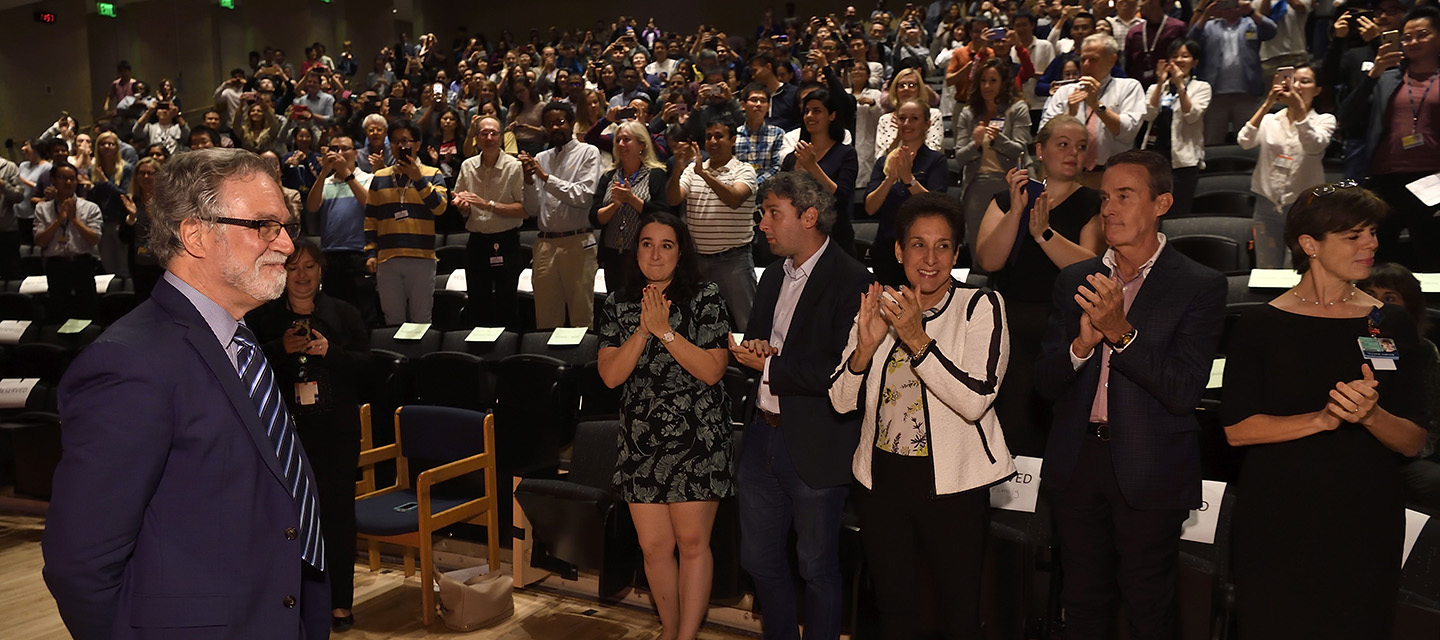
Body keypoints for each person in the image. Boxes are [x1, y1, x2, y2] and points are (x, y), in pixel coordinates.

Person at [43, 149, 329, 640]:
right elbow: (81, 565)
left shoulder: (239, 341)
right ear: (195, 234)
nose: (284, 244)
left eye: (285, 226)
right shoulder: (129, 364)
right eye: (264, 225)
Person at [1035, 150, 1226, 640]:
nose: (1109, 209)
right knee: (1081, 603)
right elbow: (1045, 383)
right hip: (1077, 464)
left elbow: (1185, 390)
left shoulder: (1199, 286)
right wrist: (1081, 346)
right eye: (1104, 197)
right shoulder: (1075, 280)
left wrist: (1121, 334)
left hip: (1150, 468)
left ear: (1161, 202)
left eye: (1124, 196)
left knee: (1148, 608)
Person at [1222, 183, 1427, 638]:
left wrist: (1373, 416)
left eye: (1372, 232)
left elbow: (1414, 441)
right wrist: (1322, 419)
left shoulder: (1388, 322)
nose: (1372, 244)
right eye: (1353, 235)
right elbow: (1237, 430)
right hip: (1278, 514)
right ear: (1310, 245)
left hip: (1365, 516)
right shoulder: (1260, 324)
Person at [829, 191, 1014, 638]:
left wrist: (916, 339)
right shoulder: (880, 309)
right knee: (895, 610)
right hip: (882, 483)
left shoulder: (980, 306)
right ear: (899, 250)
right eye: (918, 244)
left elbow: (975, 399)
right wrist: (866, 349)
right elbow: (839, 399)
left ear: (956, 252)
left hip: (952, 486)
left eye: (943, 246)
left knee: (956, 612)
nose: (929, 258)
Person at [730, 171, 873, 640]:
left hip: (816, 444)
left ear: (809, 216)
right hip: (761, 435)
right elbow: (761, 342)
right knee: (758, 560)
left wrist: (770, 367)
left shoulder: (852, 278)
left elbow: (843, 369)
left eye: (773, 212)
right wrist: (753, 353)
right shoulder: (772, 275)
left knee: (816, 566)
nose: (763, 223)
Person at [596, 212, 732, 640]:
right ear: (635, 250)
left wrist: (666, 333)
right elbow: (611, 376)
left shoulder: (706, 296)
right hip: (641, 437)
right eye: (647, 243)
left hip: (697, 435)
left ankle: (687, 637)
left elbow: (712, 371)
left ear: (681, 252)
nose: (655, 253)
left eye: (666, 244)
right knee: (654, 548)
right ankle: (671, 630)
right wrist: (643, 330)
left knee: (692, 543)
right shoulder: (618, 303)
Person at [246, 239, 371, 633]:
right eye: (292, 267)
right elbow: (245, 370)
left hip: (336, 434)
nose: (301, 275)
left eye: (309, 267)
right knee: (286, 521)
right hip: (282, 436)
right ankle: (292, 602)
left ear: (321, 272)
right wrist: (280, 350)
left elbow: (369, 371)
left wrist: (330, 353)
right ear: (281, 272)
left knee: (336, 518)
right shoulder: (263, 318)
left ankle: (339, 604)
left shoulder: (345, 315)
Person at [976, 114, 1104, 457]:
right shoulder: (1007, 199)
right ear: (1040, 150)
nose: (1072, 153)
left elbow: (1090, 266)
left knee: (1052, 419)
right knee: (1009, 416)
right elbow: (989, 261)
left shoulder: (1092, 202)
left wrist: (1044, 234)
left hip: (1061, 326)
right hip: (1009, 325)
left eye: (1080, 147)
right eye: (1062, 145)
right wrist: (1017, 212)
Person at [1342, 5, 1440, 272]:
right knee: (1375, 262)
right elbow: (1348, 118)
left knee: (1432, 260)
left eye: (1422, 34)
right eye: (1406, 37)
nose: (1412, 42)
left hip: (1433, 181)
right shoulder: (1387, 77)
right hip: (1385, 180)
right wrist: (1374, 73)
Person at [1358, 262, 1440, 515]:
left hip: (1403, 456)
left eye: (1390, 298)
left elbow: (1431, 422)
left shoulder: (1424, 350)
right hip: (1350, 449)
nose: (1378, 304)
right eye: (1370, 295)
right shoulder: (1341, 338)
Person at [667, 117, 759, 331]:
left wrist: (704, 174)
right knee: (698, 323)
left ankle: (751, 365)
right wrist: (677, 170)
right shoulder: (692, 170)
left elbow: (734, 199)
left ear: (733, 140)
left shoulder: (744, 170)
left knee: (748, 324)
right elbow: (673, 199)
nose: (713, 141)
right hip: (697, 260)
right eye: (709, 137)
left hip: (734, 260)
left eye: (719, 136)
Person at [1239, 63, 1333, 268]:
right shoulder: (1270, 120)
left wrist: (1299, 109)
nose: (1297, 85)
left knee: (1296, 268)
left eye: (1305, 81)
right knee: (1266, 268)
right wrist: (1268, 102)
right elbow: (1244, 140)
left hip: (1304, 207)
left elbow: (1314, 146)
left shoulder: (1324, 120)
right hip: (1266, 203)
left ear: (1317, 90)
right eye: (1294, 80)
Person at [520, 101, 602, 329]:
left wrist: (546, 178)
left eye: (560, 122)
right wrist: (528, 180)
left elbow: (584, 196)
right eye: (549, 124)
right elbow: (533, 209)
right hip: (545, 244)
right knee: (545, 317)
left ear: (571, 123)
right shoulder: (542, 158)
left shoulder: (588, 152)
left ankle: (578, 364)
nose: (555, 128)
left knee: (581, 317)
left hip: (578, 242)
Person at [363, 121, 450, 325]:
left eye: (405, 141)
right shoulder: (380, 177)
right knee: (392, 319)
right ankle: (397, 358)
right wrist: (370, 253)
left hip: (421, 256)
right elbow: (370, 218)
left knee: (422, 319)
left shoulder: (432, 174)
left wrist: (418, 179)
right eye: (395, 141)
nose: (400, 146)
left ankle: (418, 358)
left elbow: (440, 208)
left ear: (417, 145)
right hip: (387, 258)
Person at [1039, 33, 1145, 187]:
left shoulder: (1128, 87)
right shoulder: (1064, 92)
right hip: (1070, 175)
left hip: (1112, 174)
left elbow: (1127, 132)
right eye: (1083, 59)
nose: (1086, 65)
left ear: (1112, 60)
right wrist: (1070, 115)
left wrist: (1096, 104)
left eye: (1093, 60)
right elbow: (1043, 136)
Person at [955, 57, 1033, 266]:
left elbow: (1021, 151)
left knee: (1011, 248)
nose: (987, 86)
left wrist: (998, 140)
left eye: (993, 80)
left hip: (1009, 186)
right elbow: (960, 157)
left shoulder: (1017, 109)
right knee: (978, 250)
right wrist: (976, 144)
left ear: (1003, 83)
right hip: (977, 187)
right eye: (983, 81)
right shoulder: (968, 113)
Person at [864, 99, 950, 286]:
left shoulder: (936, 160)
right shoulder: (884, 162)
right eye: (902, 118)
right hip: (887, 249)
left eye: (914, 119)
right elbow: (870, 208)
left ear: (927, 124)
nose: (906, 124)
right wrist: (890, 178)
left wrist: (909, 179)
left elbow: (937, 206)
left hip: (923, 251)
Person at [453, 116, 528, 328]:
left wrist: (488, 205)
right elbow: (461, 203)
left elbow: (523, 210)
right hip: (477, 242)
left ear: (501, 137)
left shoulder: (514, 167)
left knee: (507, 302)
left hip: (507, 241)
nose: (489, 137)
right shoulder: (468, 166)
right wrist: (462, 207)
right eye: (484, 133)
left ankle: (505, 352)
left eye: (494, 133)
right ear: (476, 138)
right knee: (477, 302)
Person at [590, 120, 671, 294]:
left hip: (644, 255)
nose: (620, 144)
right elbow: (594, 217)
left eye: (626, 139)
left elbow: (664, 214)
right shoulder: (609, 175)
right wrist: (615, 205)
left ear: (642, 144)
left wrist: (631, 199)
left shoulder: (656, 174)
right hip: (612, 255)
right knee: (615, 306)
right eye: (618, 140)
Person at [782, 88, 859, 256]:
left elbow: (842, 197)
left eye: (816, 111)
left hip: (835, 237)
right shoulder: (792, 157)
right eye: (806, 111)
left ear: (832, 115)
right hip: (797, 236)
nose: (809, 116)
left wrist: (812, 167)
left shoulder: (846, 153)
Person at [1139, 39, 1211, 218]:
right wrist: (1160, 82)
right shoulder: (1156, 88)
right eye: (1175, 56)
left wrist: (1180, 85)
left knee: (1178, 214)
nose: (1179, 60)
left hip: (1183, 162)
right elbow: (1148, 115)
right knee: (1151, 212)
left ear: (1195, 62)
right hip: (1154, 159)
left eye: (1185, 56)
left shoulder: (1201, 87)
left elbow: (1191, 115)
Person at [1189, 0, 1278, 144]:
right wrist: (1206, 14)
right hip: (1214, 94)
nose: (1230, 7)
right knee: (1212, 140)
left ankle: (1248, 167)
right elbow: (1191, 41)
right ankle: (1215, 167)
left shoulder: (1251, 23)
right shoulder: (1209, 26)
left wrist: (1250, 11)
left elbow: (1271, 31)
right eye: (1225, 3)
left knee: (1249, 140)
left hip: (1247, 93)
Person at [33, 162, 102, 320]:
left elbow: (94, 239)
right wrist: (59, 220)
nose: (69, 183)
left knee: (87, 312)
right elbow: (39, 241)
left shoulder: (90, 208)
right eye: (63, 178)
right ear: (53, 180)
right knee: (59, 312)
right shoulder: (42, 209)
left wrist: (74, 219)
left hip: (82, 264)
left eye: (72, 178)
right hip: (56, 266)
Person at [873, 67, 944, 161]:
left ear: (919, 89)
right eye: (902, 85)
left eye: (911, 85)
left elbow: (934, 149)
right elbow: (880, 159)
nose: (906, 89)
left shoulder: (933, 115)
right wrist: (899, 136)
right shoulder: (885, 120)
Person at [121, 158, 164, 299]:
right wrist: (132, 218)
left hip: (162, 266)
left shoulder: (167, 202)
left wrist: (154, 218)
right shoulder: (130, 201)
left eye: (150, 173)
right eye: (142, 173)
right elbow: (123, 238)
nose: (146, 177)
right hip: (138, 265)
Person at [735, 84, 788, 193]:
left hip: (768, 193)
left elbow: (777, 167)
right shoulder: (734, 134)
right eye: (754, 100)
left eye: (763, 101)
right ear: (743, 105)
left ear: (768, 106)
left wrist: (754, 185)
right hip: (738, 192)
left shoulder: (778, 133)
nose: (758, 104)